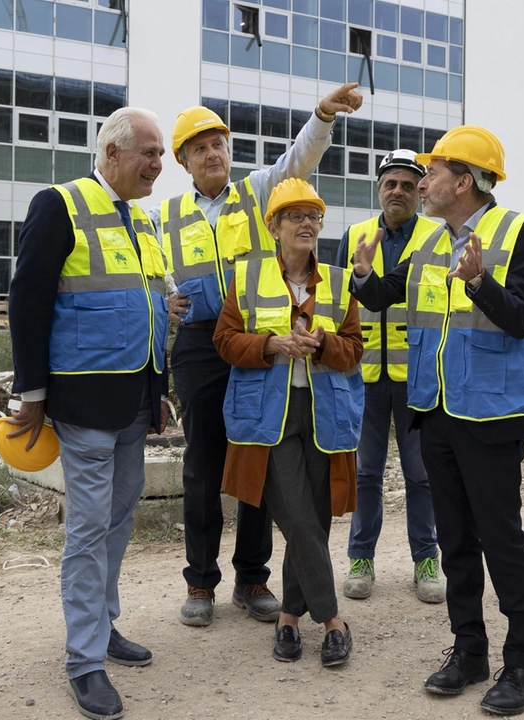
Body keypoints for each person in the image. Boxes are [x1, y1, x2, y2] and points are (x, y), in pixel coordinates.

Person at [351, 125, 524, 716]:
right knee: (457, 542)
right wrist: (363, 276)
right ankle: (469, 651)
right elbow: (386, 294)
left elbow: (519, 320)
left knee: (502, 540)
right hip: (434, 412)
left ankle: (522, 664)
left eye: (432, 173)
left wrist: (480, 281)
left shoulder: (520, 233)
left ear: (463, 181)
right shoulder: (432, 243)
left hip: (491, 414)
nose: (422, 182)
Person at [157, 83, 363, 627]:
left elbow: (302, 157)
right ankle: (200, 582)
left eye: (219, 142)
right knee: (203, 465)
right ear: (183, 161)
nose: (213, 153)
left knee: (259, 454)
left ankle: (253, 578)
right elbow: (150, 275)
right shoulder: (167, 216)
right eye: (200, 148)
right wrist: (163, 300)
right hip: (203, 345)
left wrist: (321, 115)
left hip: (266, 342)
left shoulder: (257, 192)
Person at [6, 107, 171, 720]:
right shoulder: (61, 204)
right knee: (88, 526)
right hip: (83, 399)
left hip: (134, 396)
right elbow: (29, 299)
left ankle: (103, 627)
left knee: (120, 517)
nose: (159, 164)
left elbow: (140, 296)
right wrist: (32, 391)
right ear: (111, 154)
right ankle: (84, 660)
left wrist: (166, 311)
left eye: (159, 154)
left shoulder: (142, 220)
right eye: (149, 153)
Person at [213, 178, 364, 666]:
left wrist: (323, 344)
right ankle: (333, 621)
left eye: (313, 216)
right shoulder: (249, 276)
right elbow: (225, 340)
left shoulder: (339, 282)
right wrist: (271, 344)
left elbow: (355, 351)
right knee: (299, 518)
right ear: (273, 226)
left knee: (313, 522)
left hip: (325, 415)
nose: (306, 224)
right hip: (269, 417)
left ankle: (289, 619)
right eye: (295, 216)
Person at [333, 149, 444, 603]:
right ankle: (361, 557)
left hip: (418, 375)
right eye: (389, 184)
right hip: (366, 376)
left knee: (421, 475)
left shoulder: (440, 237)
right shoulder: (356, 235)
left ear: (421, 191)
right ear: (378, 189)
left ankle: (426, 559)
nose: (397, 191)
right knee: (365, 473)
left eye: (406, 184)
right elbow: (338, 301)